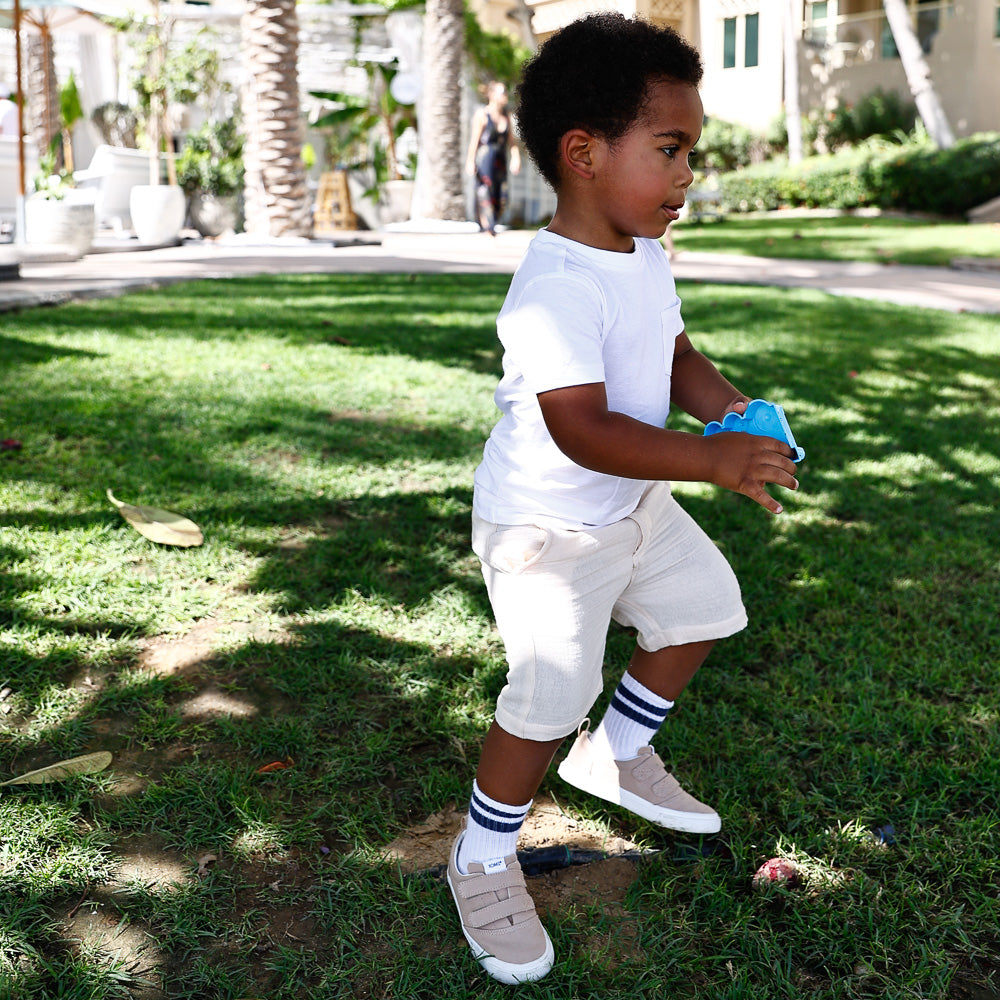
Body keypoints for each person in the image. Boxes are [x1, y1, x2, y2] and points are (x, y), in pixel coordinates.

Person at [447, 12, 800, 985]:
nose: (688, 174)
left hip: (628, 501)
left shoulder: (643, 253)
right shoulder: (552, 287)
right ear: (584, 154)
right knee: (548, 690)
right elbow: (582, 427)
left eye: (692, 151)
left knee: (703, 607)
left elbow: (675, 356)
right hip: (545, 525)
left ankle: (617, 751)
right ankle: (480, 855)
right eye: (671, 149)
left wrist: (732, 413)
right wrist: (709, 461)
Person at [465, 80, 521, 235]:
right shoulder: (482, 114)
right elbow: (474, 140)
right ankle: (488, 228)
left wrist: (516, 158)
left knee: (502, 196)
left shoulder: (506, 115)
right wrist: (470, 161)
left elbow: (512, 141)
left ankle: (491, 225)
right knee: (485, 192)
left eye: (505, 92)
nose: (505, 96)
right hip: (485, 158)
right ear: (491, 94)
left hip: (501, 159)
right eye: (501, 92)